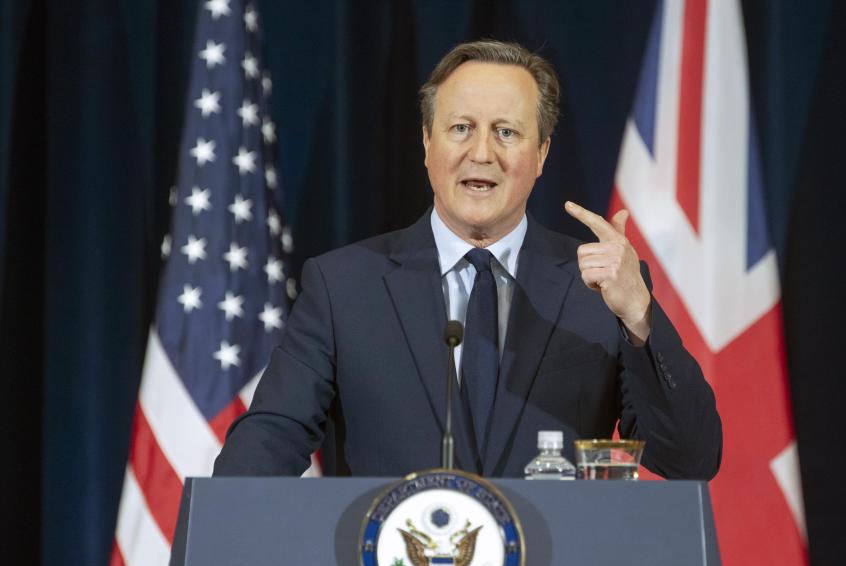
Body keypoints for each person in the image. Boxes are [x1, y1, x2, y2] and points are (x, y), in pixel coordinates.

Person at [213, 40, 721, 481]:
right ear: (427, 144)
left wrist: (639, 318)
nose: (482, 152)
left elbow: (690, 458)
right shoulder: (343, 286)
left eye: (506, 132)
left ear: (542, 154)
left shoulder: (601, 292)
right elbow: (270, 440)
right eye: (460, 128)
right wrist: (228, 529)